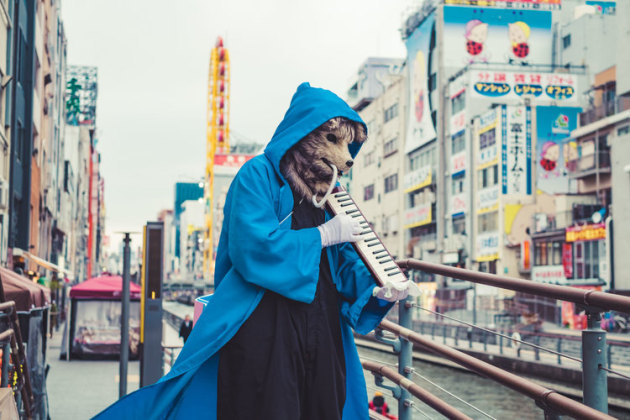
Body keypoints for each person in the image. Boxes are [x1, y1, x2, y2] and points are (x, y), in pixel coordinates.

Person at [93, 82, 413, 420]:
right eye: (332, 140)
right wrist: (321, 236)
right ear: (302, 133)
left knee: (325, 405)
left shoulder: (333, 194)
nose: (345, 156)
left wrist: (378, 285)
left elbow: (346, 263)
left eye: (348, 144)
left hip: (324, 328)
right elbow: (252, 248)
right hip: (264, 324)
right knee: (267, 407)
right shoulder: (256, 175)